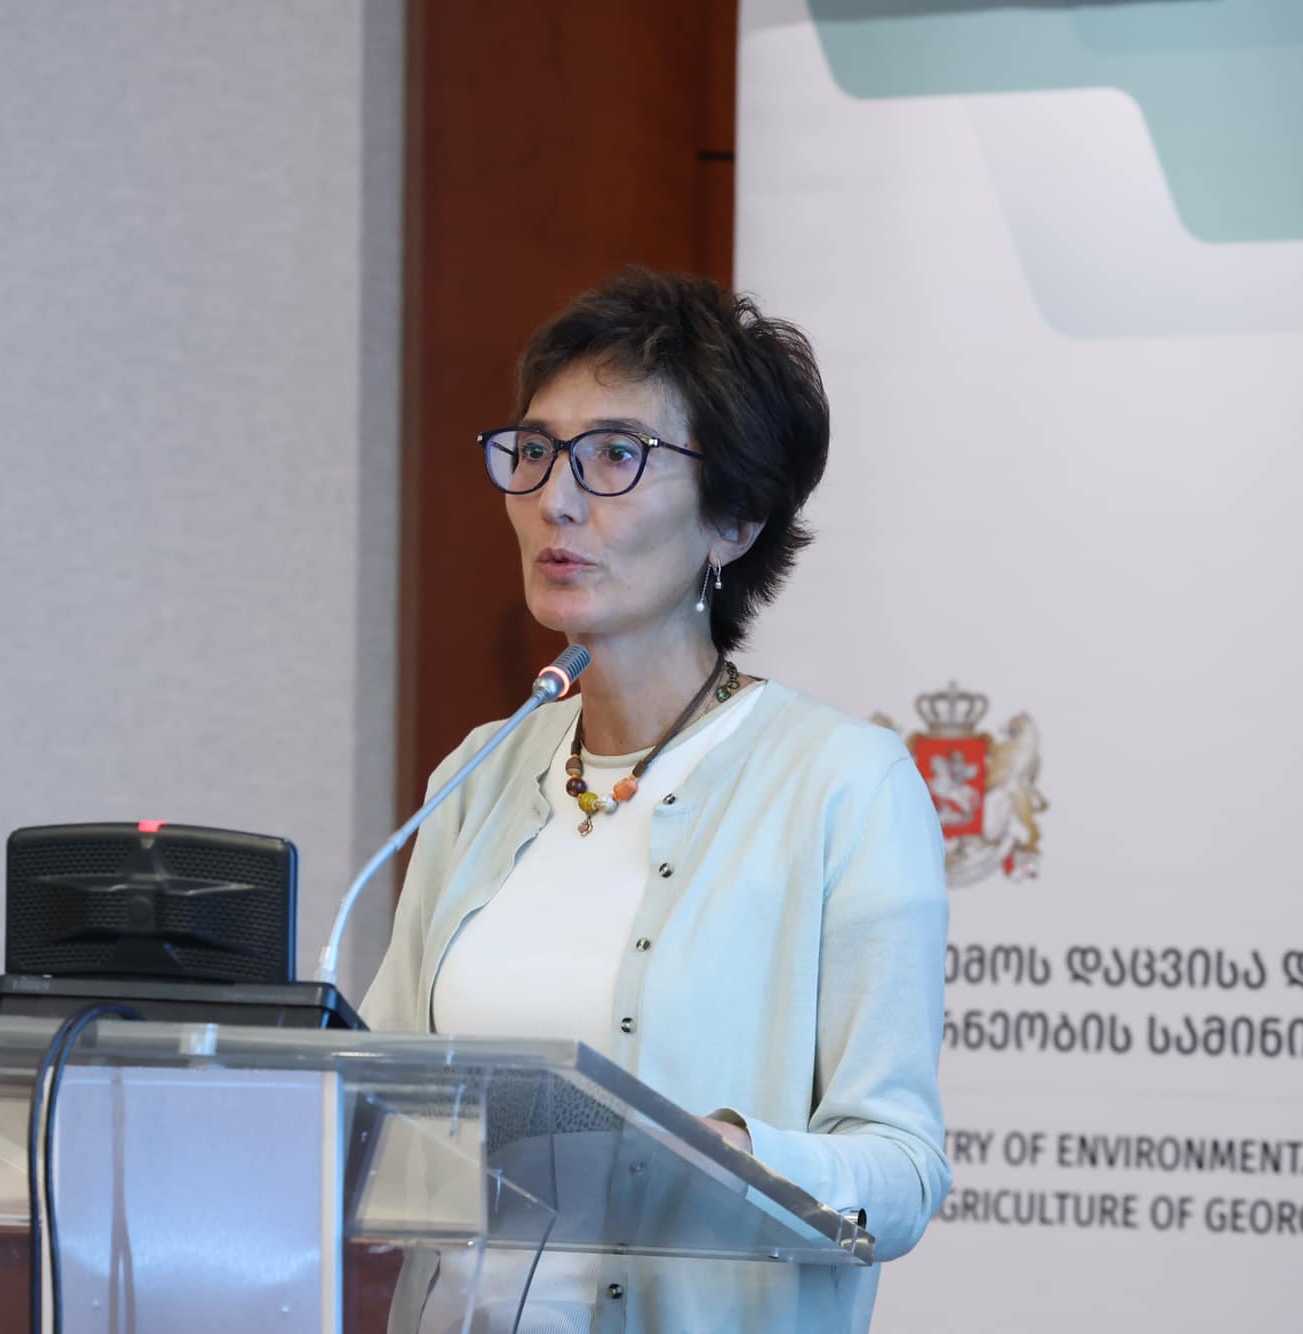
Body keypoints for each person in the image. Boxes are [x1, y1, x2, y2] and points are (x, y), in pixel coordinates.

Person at [361, 267, 950, 1333]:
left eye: (615, 455)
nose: (556, 498)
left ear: (733, 520)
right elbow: (377, 1109)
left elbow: (900, 1169)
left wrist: (717, 1155)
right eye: (535, 451)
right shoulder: (477, 774)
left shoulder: (842, 785)